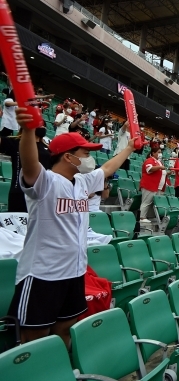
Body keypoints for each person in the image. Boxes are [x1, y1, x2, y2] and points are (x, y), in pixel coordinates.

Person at [8, 108, 135, 349]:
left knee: (65, 330)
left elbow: (107, 169)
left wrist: (129, 147)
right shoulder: (45, 181)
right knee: (34, 340)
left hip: (74, 272)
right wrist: (27, 131)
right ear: (68, 156)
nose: (89, 158)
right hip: (42, 274)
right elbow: (29, 162)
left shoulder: (82, 181)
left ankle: (61, 377)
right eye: (85, 153)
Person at [0, 121, 52, 212]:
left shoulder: (47, 148)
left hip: (42, 194)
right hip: (19, 192)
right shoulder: (16, 142)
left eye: (44, 125)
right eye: (39, 124)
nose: (42, 127)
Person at [139, 144, 167, 223]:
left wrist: (167, 173)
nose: (160, 154)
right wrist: (160, 167)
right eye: (158, 152)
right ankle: (142, 217)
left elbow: (160, 172)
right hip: (149, 185)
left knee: (152, 203)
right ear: (153, 153)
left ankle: (149, 216)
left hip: (157, 186)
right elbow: (149, 169)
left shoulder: (158, 162)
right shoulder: (150, 160)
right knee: (146, 202)